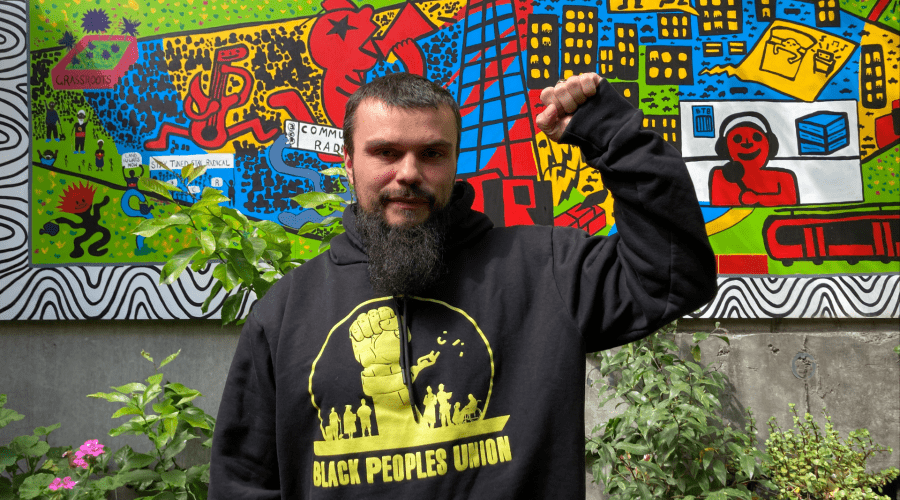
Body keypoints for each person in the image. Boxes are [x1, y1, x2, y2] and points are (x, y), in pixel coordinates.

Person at [209, 71, 717, 498]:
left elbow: (673, 274)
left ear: (455, 160)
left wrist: (612, 134)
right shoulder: (286, 311)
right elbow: (243, 482)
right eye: (385, 152)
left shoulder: (545, 270)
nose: (409, 173)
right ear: (348, 160)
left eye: (432, 153)